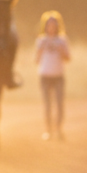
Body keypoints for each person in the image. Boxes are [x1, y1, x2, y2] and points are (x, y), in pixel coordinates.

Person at [35, 10, 70, 140]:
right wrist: (41, 48)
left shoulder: (62, 40)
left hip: (58, 76)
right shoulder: (41, 40)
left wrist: (60, 49)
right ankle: (48, 130)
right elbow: (36, 60)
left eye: (53, 24)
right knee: (47, 105)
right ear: (45, 26)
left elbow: (67, 58)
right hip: (45, 76)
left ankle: (59, 129)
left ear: (57, 26)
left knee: (59, 104)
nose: (51, 27)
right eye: (49, 25)